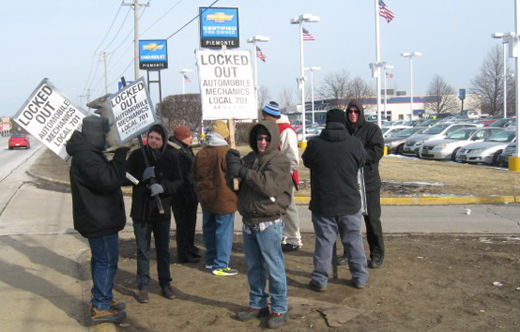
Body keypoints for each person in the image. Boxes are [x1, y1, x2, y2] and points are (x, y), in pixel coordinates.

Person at [226, 121, 292, 329]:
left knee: (274, 268)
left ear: (272, 139)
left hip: (269, 223)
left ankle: (279, 307)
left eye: (266, 138)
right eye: (259, 138)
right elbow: (235, 185)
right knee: (254, 267)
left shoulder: (280, 161)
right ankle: (257, 303)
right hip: (249, 222)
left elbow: (268, 186)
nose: (262, 142)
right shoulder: (250, 159)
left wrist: (243, 172)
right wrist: (231, 168)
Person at [66, 115, 128, 324]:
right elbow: (108, 180)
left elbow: (105, 176)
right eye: (104, 133)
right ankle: (100, 306)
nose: (107, 138)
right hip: (99, 220)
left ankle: (103, 300)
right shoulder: (86, 157)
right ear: (95, 134)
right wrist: (120, 155)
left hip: (100, 218)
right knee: (106, 261)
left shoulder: (88, 154)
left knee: (103, 260)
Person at [302, 109, 369, 290]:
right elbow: (362, 161)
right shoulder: (354, 143)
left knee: (324, 241)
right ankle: (360, 276)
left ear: (326, 122)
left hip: (323, 203)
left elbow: (306, 161)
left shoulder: (315, 144)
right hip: (350, 202)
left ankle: (320, 279)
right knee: (353, 240)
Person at [126, 124, 183, 303]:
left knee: (163, 250)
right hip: (141, 211)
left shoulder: (171, 156)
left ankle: (165, 283)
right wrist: (140, 178)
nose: (153, 141)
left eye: (158, 138)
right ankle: (143, 286)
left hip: (161, 211)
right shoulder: (137, 155)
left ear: (163, 140)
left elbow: (179, 181)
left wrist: (164, 187)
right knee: (143, 251)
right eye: (151, 137)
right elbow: (125, 177)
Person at [339, 100, 385, 269]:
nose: (353, 115)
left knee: (372, 221)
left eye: (356, 111)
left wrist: (355, 155)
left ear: (360, 113)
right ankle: (348, 252)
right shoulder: (343, 130)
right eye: (350, 111)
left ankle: (377, 254)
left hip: (369, 184)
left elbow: (376, 152)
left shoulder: (372, 130)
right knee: (347, 221)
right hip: (348, 184)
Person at [193, 120, 238, 276]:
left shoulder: (201, 153)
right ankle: (221, 265)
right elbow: (235, 174)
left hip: (206, 198)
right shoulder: (227, 152)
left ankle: (211, 259)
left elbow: (195, 175)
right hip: (224, 198)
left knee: (209, 229)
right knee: (224, 232)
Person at [261, 101, 302, 252]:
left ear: (269, 116)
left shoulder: (286, 131)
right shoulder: (274, 129)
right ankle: (285, 236)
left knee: (288, 207)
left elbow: (292, 158)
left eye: (264, 115)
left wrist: (285, 176)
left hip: (284, 177)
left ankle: (293, 238)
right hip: (274, 176)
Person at [168, 125, 200, 263]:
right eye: (189, 136)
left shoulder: (185, 149)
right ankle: (183, 253)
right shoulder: (175, 151)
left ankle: (190, 248)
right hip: (181, 194)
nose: (191, 138)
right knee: (183, 225)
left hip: (190, 191)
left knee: (190, 223)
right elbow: (181, 174)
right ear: (182, 138)